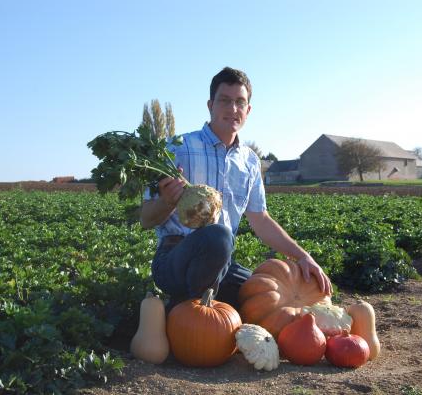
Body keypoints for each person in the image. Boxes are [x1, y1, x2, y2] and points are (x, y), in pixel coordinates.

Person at [140, 67, 331, 311]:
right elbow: (146, 219)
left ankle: (208, 305)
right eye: (225, 101)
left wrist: (303, 256)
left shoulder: (250, 161)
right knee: (219, 236)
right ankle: (185, 312)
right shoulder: (176, 148)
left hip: (221, 264)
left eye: (240, 102)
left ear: (248, 110)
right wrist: (167, 201)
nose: (233, 109)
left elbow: (260, 219)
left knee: (268, 296)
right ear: (210, 105)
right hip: (174, 259)